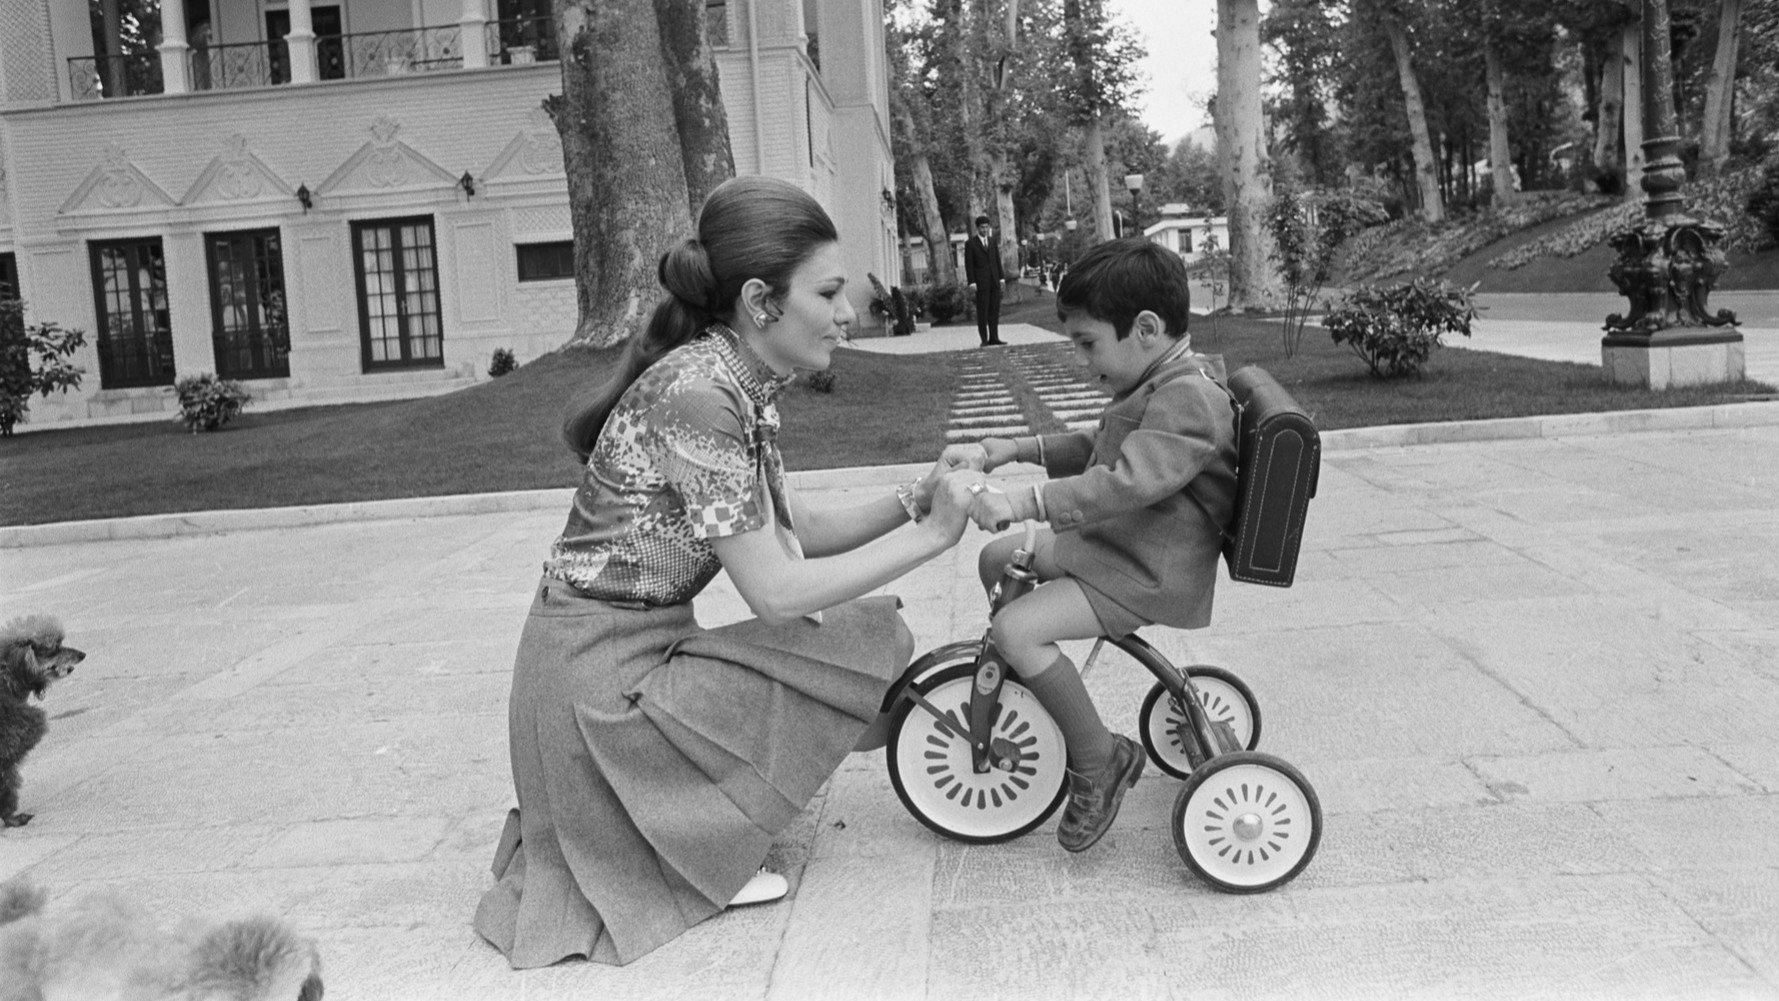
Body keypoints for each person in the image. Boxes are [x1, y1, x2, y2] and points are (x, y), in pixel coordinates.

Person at [473, 175, 983, 969]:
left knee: (865, 632)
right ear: (759, 300)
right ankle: (678, 849)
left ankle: (692, 829)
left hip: (625, 658)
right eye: (829, 291)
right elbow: (776, 592)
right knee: (847, 637)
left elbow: (799, 530)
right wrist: (935, 536)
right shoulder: (701, 395)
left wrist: (916, 496)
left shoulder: (733, 381)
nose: (849, 313)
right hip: (593, 693)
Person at [957, 237, 1239, 853]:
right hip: (1119, 548)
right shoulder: (1161, 383)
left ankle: (1099, 758)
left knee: (1016, 631)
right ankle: (1048, 685)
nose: (1086, 362)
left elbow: (1128, 481)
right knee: (995, 559)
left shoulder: (1190, 399)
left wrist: (1025, 502)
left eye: (1088, 344)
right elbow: (1099, 445)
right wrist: (1019, 449)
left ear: (1145, 328)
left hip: (1146, 570)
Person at [964, 214, 1005, 346]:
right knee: (983, 312)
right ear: (977, 228)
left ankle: (994, 337)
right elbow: (969, 265)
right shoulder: (970, 244)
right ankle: (984, 339)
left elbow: (997, 260)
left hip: (994, 281)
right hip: (980, 283)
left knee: (994, 311)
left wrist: (1002, 278)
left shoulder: (992, 241)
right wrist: (972, 282)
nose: (985, 230)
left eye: (987, 227)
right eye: (982, 228)